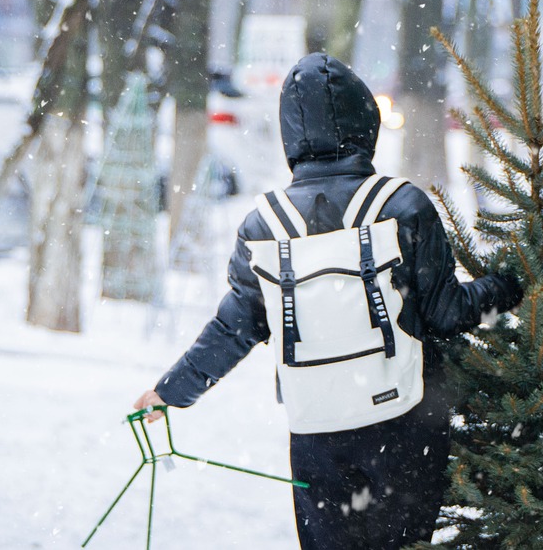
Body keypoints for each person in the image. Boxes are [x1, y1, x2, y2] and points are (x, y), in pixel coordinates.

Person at [132, 52, 522, 550]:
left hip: (316, 431)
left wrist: (171, 392)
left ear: (290, 134)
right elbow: (449, 313)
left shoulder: (263, 227)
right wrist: (513, 283)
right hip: (404, 424)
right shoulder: (402, 206)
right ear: (366, 122)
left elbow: (236, 328)